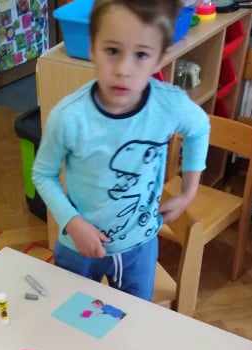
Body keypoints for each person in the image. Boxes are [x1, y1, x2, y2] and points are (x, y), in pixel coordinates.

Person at [32, 0, 209, 301]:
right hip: (78, 248)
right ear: (92, 48)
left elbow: (199, 128)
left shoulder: (169, 105)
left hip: (139, 249)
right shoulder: (69, 117)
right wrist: (72, 223)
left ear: (159, 58)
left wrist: (188, 193)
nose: (123, 70)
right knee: (71, 317)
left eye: (141, 55)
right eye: (112, 50)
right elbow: (43, 174)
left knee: (132, 320)